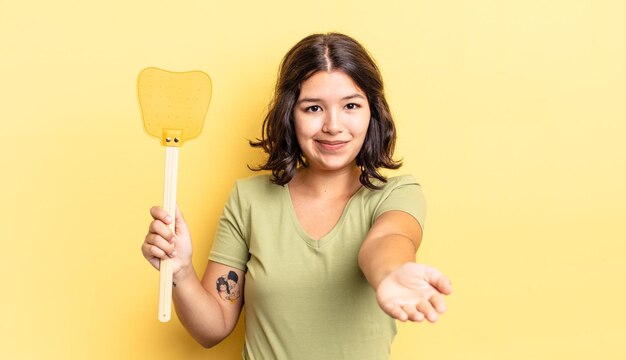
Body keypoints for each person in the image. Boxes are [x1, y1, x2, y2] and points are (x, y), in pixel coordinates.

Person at [142, 32, 452, 359]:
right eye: (314, 107)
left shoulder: (395, 194)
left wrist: (393, 273)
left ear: (372, 112)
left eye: (351, 105)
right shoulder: (249, 200)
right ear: (290, 113)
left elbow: (387, 240)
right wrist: (181, 272)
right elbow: (212, 328)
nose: (333, 125)